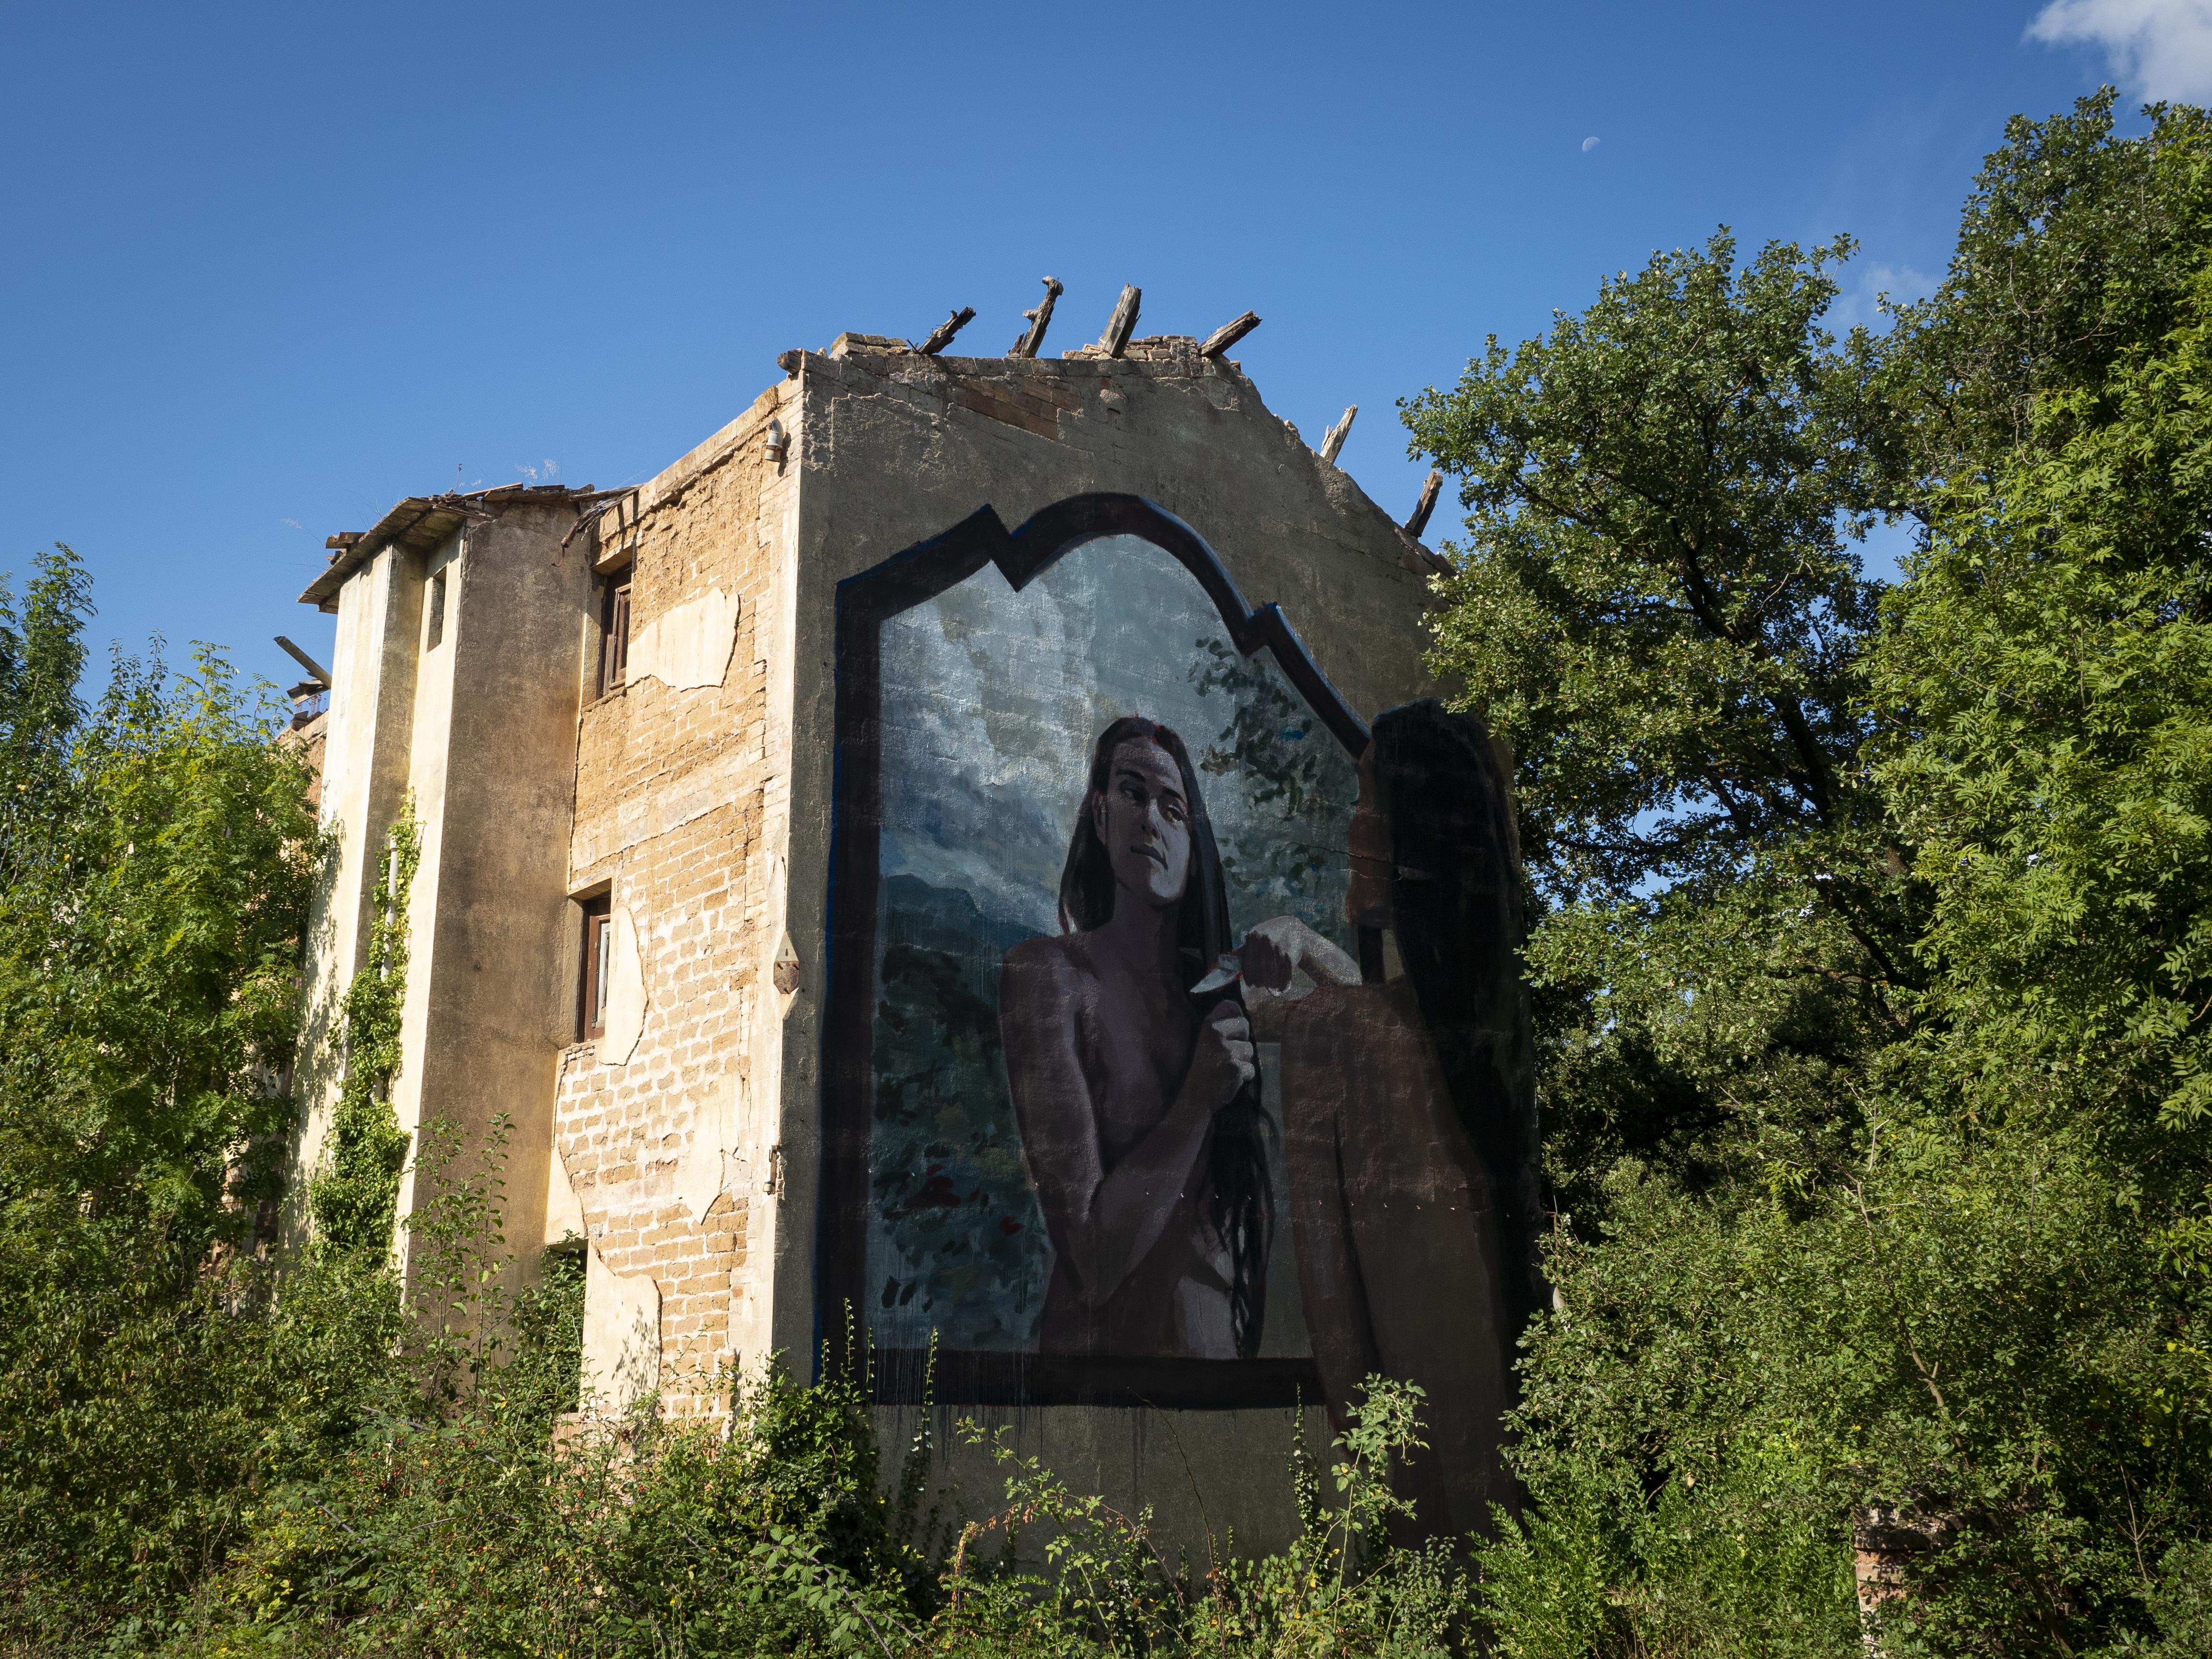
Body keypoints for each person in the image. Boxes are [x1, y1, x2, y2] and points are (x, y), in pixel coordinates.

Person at [1238, 698, 1543, 1540]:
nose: (1355, 822)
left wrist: (1271, 1007)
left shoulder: (1369, 1034)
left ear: (1417, 826)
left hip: (1443, 1444)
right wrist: (1307, 942)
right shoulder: (1484, 1013)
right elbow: (1385, 1019)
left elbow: (1340, 1029)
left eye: (1373, 798)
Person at [999, 716, 1274, 1359]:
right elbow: (1093, 1262)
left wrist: (1305, 943)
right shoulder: (1048, 976)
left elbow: (1373, 1017)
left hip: (1216, 1380)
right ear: (1100, 818)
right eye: (1132, 794)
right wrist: (1196, 1101)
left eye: (1173, 808)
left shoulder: (1216, 998)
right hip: (1095, 1390)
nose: (1151, 819)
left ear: (1193, 844)